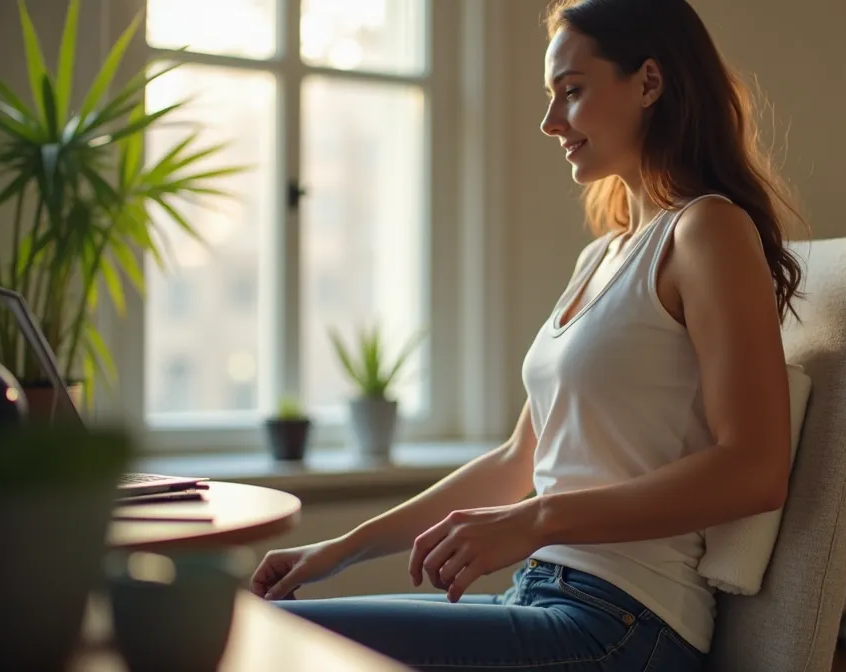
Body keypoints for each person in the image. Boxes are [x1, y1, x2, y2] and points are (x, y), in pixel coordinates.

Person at [250, 0, 807, 669]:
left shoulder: (707, 230)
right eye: (551, 97)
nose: (550, 122)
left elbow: (754, 469)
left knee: (271, 647)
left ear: (650, 82)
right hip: (542, 594)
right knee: (270, 625)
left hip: (626, 622)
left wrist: (538, 519)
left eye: (572, 92)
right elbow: (517, 461)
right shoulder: (600, 257)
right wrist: (341, 549)